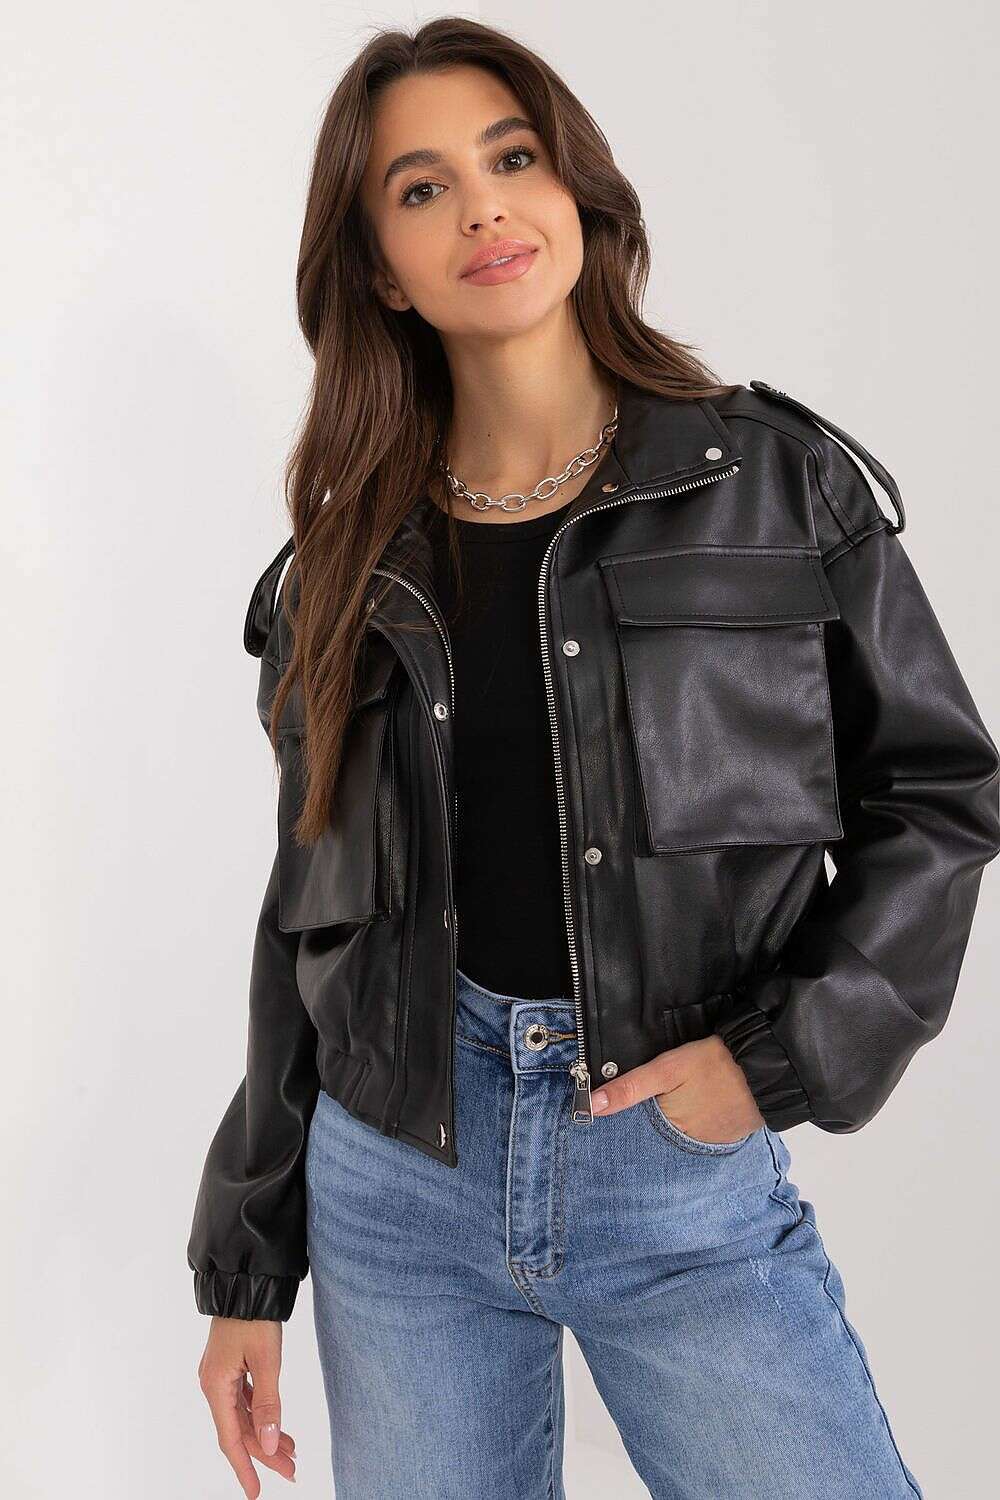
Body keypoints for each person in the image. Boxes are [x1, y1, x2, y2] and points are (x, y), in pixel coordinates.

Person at [187, 18, 1000, 1500]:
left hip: (673, 1162)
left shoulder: (770, 483)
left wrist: (772, 1063)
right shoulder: (340, 568)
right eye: (422, 189)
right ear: (381, 267)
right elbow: (308, 912)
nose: (483, 208)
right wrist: (248, 1261)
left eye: (513, 159)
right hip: (396, 1186)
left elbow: (939, 794)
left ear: (576, 190)